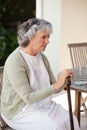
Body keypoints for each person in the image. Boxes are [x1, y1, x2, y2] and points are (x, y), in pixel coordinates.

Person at [1, 18, 80, 130]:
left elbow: (55, 87)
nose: (47, 41)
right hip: (20, 112)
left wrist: (62, 78)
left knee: (71, 119)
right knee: (55, 127)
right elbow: (28, 98)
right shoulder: (15, 61)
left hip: (42, 104)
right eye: (44, 37)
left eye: (48, 37)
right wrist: (57, 85)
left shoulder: (42, 57)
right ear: (30, 37)